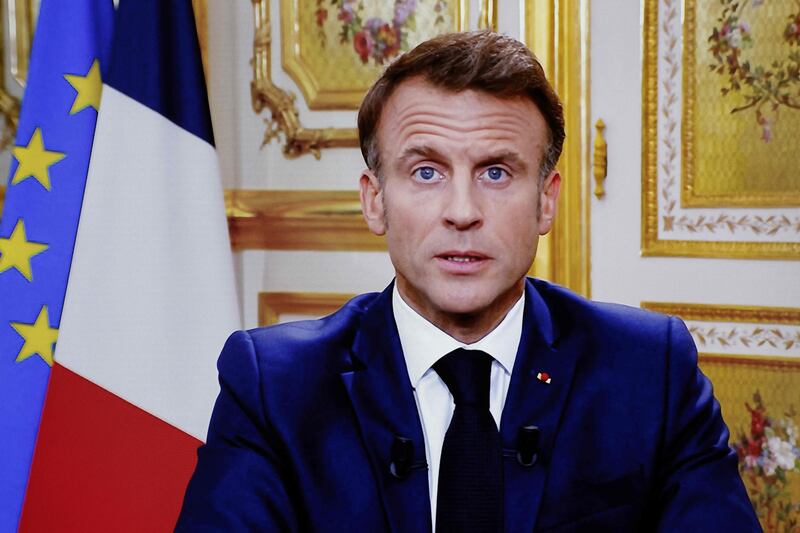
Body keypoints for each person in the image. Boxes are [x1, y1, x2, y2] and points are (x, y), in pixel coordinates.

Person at [176, 31, 760, 532]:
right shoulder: (274, 387)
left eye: (496, 172)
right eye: (426, 172)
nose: (462, 212)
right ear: (375, 201)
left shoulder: (650, 369)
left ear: (546, 201)